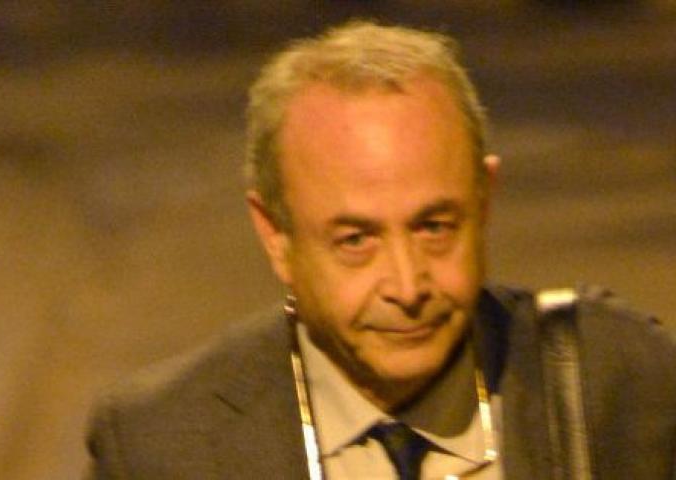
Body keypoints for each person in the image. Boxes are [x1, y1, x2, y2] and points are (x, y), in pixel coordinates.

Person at [85, 21, 676, 479]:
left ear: (484, 199)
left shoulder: (618, 381)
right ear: (275, 235)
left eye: (434, 227)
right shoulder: (164, 448)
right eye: (356, 241)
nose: (408, 286)